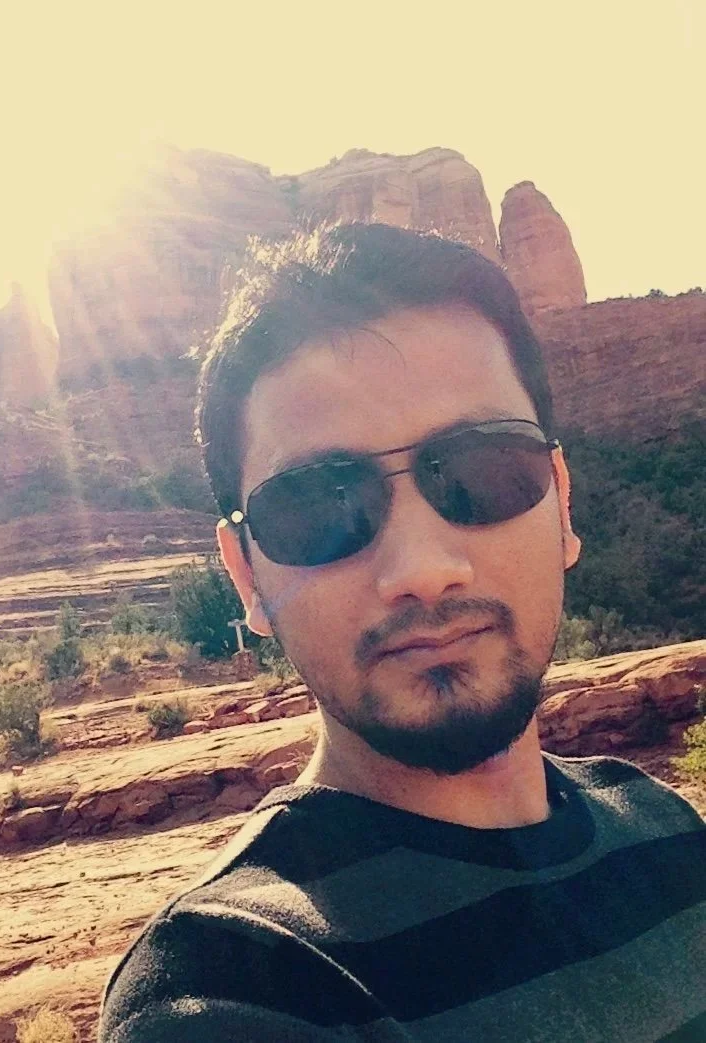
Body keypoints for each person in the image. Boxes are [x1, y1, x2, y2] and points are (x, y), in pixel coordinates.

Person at [98, 224, 705, 1042]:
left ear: (562, 503)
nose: (421, 568)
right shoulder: (231, 986)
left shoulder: (665, 828)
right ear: (246, 574)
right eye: (318, 504)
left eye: (483, 468)